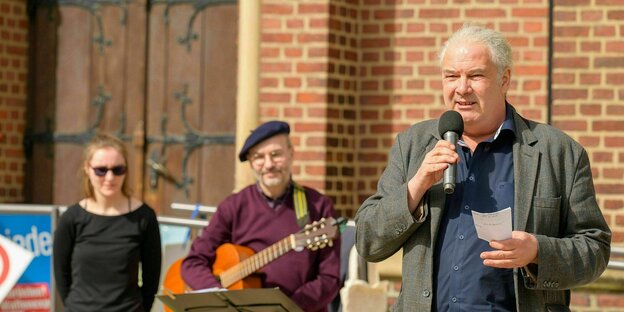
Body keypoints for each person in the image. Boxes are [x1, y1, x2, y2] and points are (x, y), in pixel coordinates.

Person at [355, 24, 611, 312]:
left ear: (504, 79)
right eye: (451, 76)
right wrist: (416, 188)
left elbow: (595, 250)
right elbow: (368, 241)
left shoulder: (558, 152)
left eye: (475, 75)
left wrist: (538, 251)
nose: (461, 88)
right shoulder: (413, 145)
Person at [181, 120, 341, 312]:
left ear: (291, 153)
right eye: (259, 157)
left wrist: (288, 308)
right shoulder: (233, 206)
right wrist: (219, 296)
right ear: (250, 161)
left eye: (276, 154)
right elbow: (193, 262)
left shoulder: (318, 206)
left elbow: (329, 278)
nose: (268, 164)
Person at [53, 133, 162, 312]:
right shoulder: (71, 219)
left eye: (118, 170)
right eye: (101, 170)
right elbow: (62, 276)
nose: (110, 178)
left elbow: (152, 279)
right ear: (88, 169)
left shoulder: (144, 217)